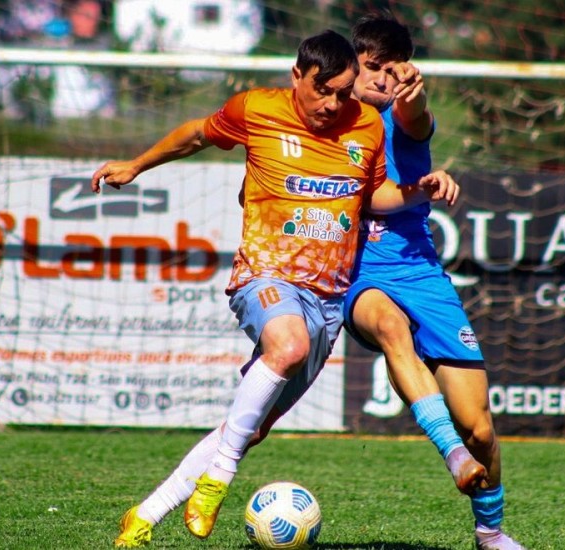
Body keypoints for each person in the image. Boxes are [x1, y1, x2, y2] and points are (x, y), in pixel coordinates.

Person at [91, 30, 458, 548]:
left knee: (253, 424)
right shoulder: (256, 109)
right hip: (265, 276)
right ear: (296, 76)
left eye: (343, 92)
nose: (333, 104)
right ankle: (218, 479)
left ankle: (145, 515)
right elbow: (197, 133)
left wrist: (419, 189)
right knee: (288, 346)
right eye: (322, 90)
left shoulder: (366, 127)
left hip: (327, 300)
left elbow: (376, 195)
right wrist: (136, 165)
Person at [344, 13, 525, 550]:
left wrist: (413, 97)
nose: (381, 79)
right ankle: (451, 454)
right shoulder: (332, 119)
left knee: (482, 429)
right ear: (353, 65)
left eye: (392, 71)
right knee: (390, 326)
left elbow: (415, 115)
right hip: (359, 272)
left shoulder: (406, 114)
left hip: (421, 272)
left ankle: (490, 533)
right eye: (372, 67)